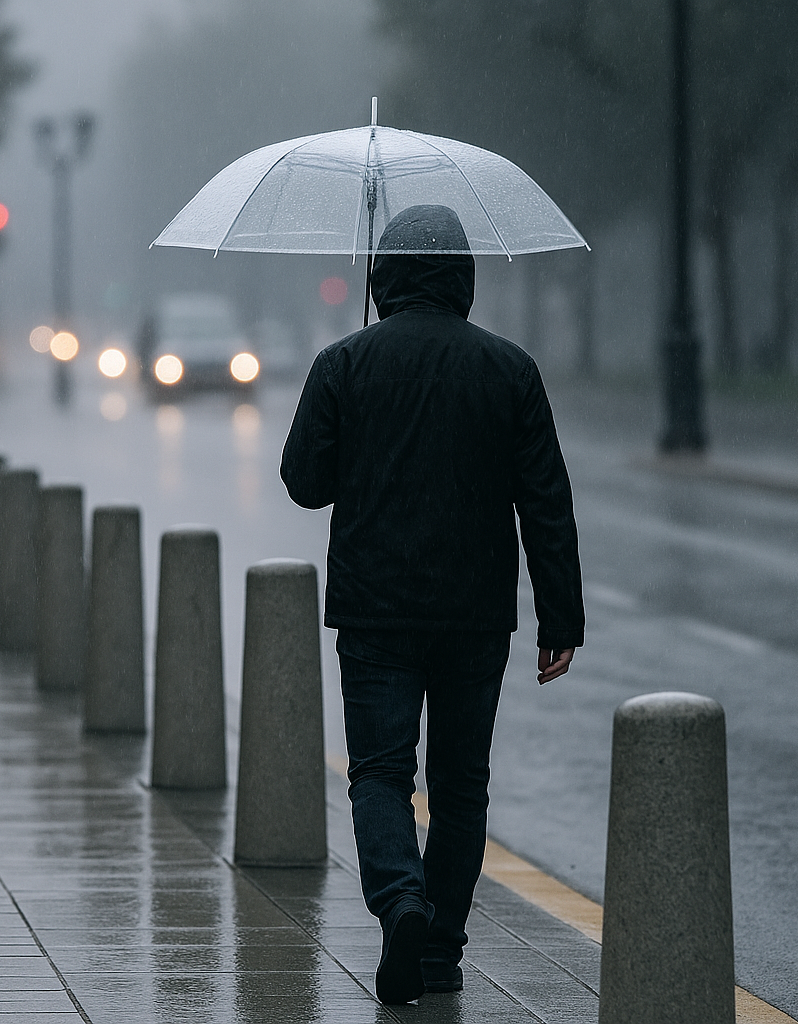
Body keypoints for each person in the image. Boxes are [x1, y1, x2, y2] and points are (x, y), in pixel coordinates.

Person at [280, 205, 584, 1005]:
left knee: (378, 773)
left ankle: (398, 901)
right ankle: (441, 950)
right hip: (474, 611)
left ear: (383, 277)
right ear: (464, 278)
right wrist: (561, 619)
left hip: (375, 610)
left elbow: (304, 484)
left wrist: (349, 413)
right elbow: (545, 501)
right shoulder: (509, 369)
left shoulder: (345, 362)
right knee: (460, 784)